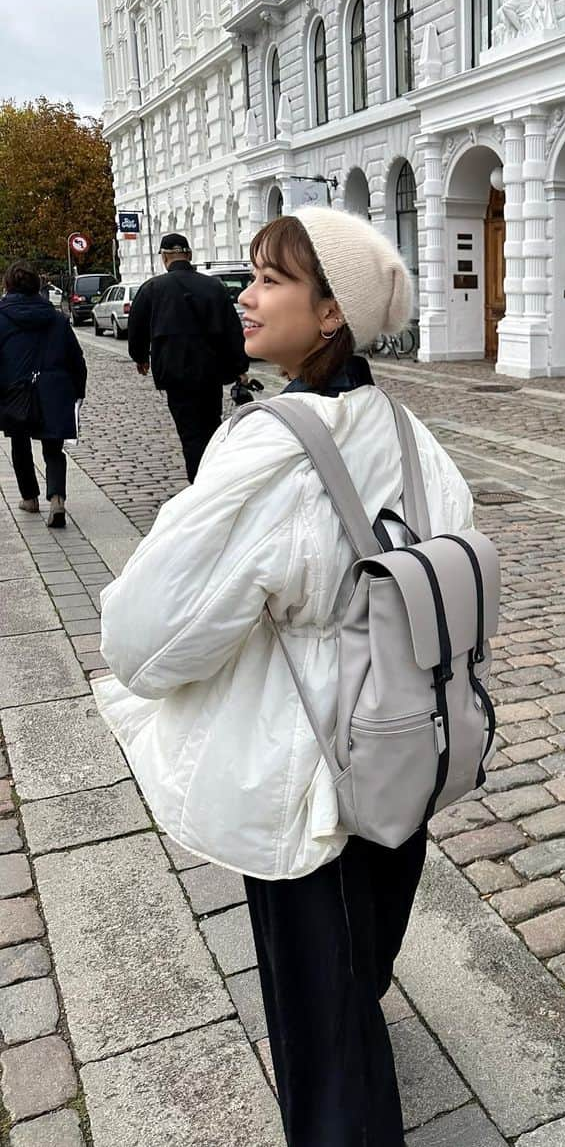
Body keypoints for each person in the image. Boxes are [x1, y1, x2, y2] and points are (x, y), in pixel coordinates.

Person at [93, 209, 473, 1147]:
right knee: (363, 956)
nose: (246, 296)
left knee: (319, 1025)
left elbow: (146, 635)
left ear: (333, 310)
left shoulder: (273, 450)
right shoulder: (415, 437)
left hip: (305, 774)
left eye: (270, 279)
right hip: (400, 756)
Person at [126, 233, 248, 482]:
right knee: (211, 425)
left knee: (190, 432)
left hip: (174, 372)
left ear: (164, 257)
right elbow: (232, 329)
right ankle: (214, 476)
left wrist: (140, 357)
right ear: (189, 255)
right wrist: (240, 366)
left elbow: (136, 327)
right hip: (210, 371)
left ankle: (200, 483)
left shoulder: (153, 288)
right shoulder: (213, 286)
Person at [0, 261, 86, 528]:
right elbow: (76, 359)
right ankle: (57, 498)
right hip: (54, 389)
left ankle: (30, 498)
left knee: (20, 444)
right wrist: (77, 392)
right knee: (53, 449)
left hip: (16, 390)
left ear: (8, 286)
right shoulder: (57, 319)